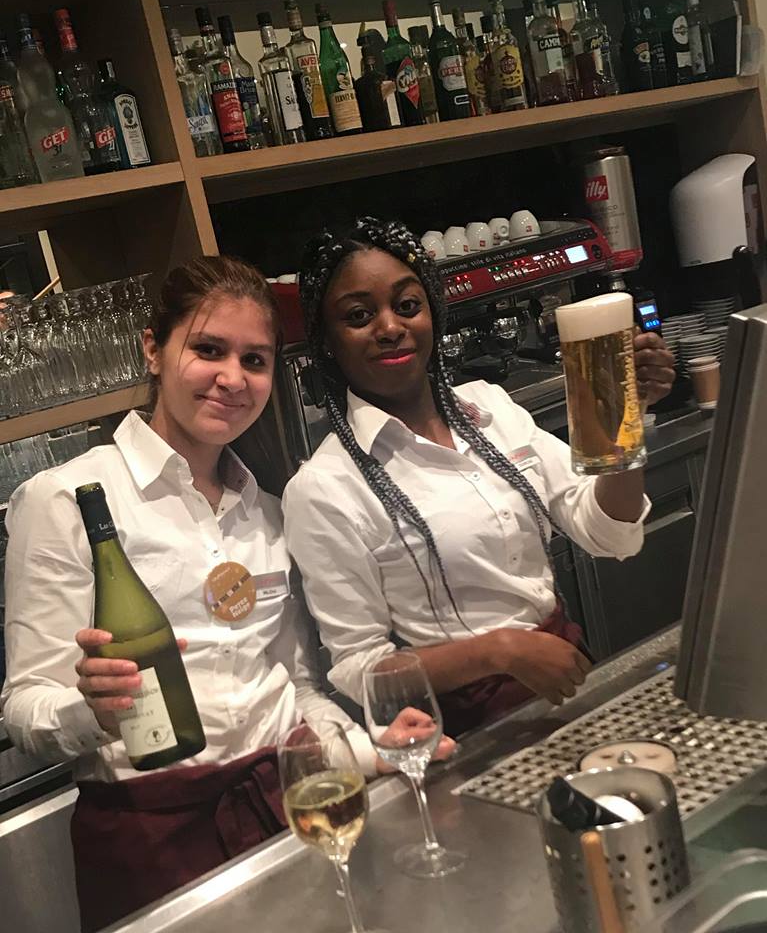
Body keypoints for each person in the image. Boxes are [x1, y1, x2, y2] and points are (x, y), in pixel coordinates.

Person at [1, 255, 450, 932]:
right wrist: (92, 710)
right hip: (151, 838)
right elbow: (24, 708)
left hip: (284, 812)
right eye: (208, 350)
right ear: (153, 350)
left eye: (255, 360)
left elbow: (294, 687)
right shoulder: (65, 500)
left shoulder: (266, 511)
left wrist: (370, 749)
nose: (233, 378)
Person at [282, 217, 676, 738]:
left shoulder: (491, 409)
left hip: (565, 676)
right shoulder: (324, 488)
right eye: (358, 315)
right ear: (328, 340)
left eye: (407, 305)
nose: (390, 327)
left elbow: (611, 534)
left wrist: (624, 416)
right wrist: (501, 651)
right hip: (461, 726)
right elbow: (361, 671)